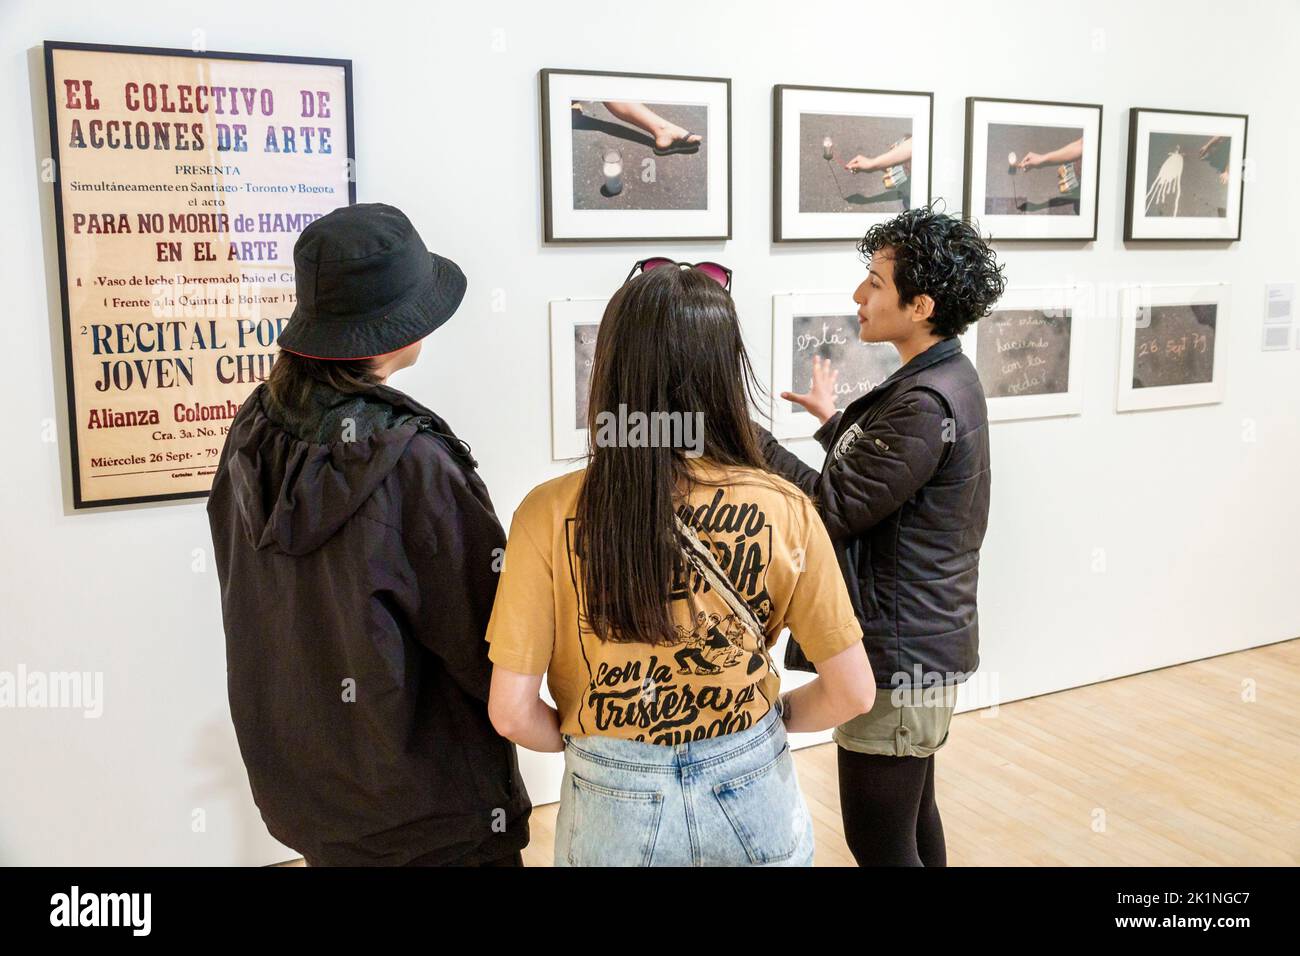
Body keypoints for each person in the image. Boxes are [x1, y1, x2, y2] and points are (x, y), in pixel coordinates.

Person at [484, 260, 876, 867]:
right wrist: (770, 723)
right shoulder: (787, 508)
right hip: (752, 788)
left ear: (610, 370)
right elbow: (853, 692)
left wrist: (591, 746)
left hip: (611, 799)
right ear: (725, 374)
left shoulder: (546, 513)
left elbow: (510, 712)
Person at [207, 202, 531, 866]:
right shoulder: (411, 460)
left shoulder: (255, 426)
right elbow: (486, 635)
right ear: (387, 333)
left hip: (312, 785)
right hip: (428, 804)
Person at [755, 206, 1005, 866]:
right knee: (913, 822)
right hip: (918, 646)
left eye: (873, 282)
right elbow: (893, 476)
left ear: (920, 304)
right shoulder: (941, 379)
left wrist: (743, 437)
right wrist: (835, 423)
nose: (859, 297)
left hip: (898, 656)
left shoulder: (926, 402)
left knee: (879, 841)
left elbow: (830, 506)